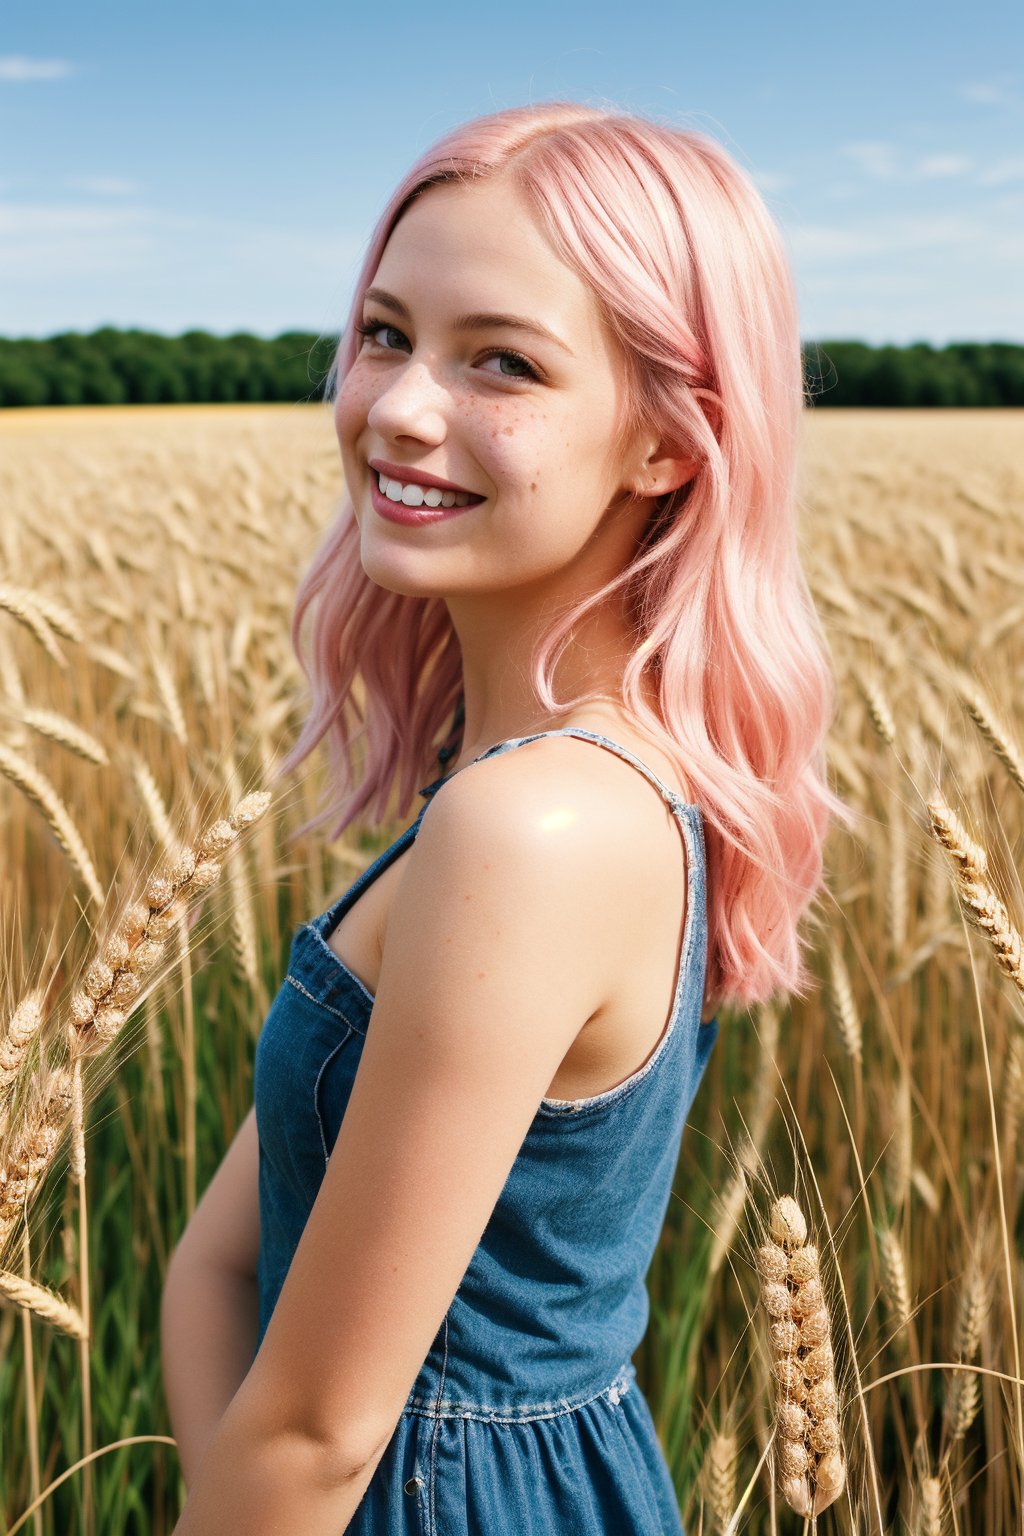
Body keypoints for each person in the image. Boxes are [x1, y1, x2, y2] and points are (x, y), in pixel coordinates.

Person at [161, 100, 849, 1535]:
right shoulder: (523, 794)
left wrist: (263, 1474)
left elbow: (315, 1431)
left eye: (504, 363)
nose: (402, 406)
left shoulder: (536, 830)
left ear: (667, 441)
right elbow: (214, 1270)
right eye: (385, 333)